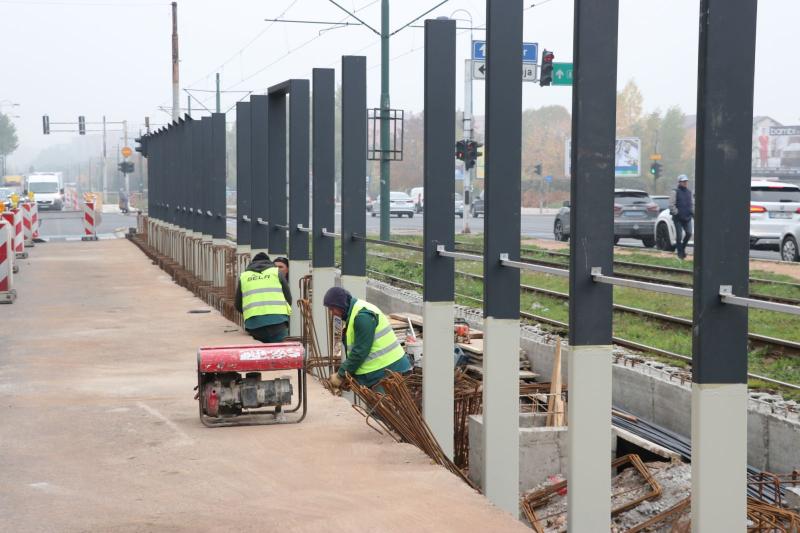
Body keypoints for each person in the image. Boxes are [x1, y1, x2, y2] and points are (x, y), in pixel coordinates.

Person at [323, 287, 411, 389]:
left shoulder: (362, 317)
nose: (332, 313)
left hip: (388, 372)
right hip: (381, 371)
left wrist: (340, 375)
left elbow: (360, 352)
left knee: (383, 404)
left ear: (341, 305)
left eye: (332, 309)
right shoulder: (354, 314)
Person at [234, 252, 292, 343]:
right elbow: (288, 298)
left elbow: (237, 304)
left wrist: (251, 314)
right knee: (281, 352)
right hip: (278, 323)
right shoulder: (276, 272)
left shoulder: (244, 276)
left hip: (254, 325)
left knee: (260, 354)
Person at [669, 175, 695, 260]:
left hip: (687, 217)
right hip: (678, 218)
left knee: (689, 233)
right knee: (679, 237)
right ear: (679, 182)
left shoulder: (689, 192)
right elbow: (671, 204)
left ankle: (682, 249)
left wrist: (693, 214)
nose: (685, 183)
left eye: (686, 181)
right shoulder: (675, 192)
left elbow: (691, 204)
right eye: (683, 181)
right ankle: (680, 254)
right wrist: (676, 213)